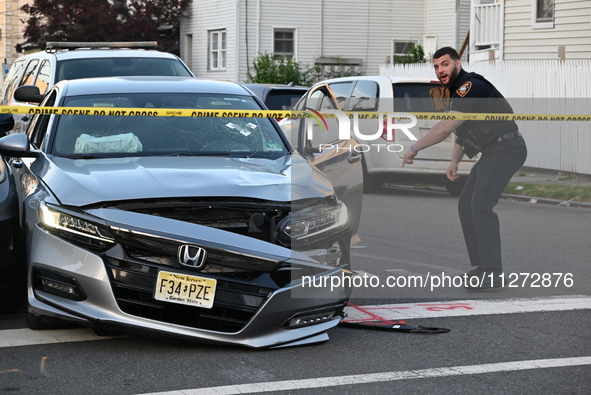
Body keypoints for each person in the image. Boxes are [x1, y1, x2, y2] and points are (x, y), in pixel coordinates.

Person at [402, 47, 527, 290]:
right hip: (493, 151)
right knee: (466, 205)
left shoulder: (470, 85)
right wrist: (454, 162)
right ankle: (481, 268)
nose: (440, 70)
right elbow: (462, 132)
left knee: (480, 205)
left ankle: (492, 273)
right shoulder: (456, 93)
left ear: (458, 63)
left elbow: (446, 127)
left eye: (445, 64)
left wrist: (415, 148)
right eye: (437, 66)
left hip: (507, 148)